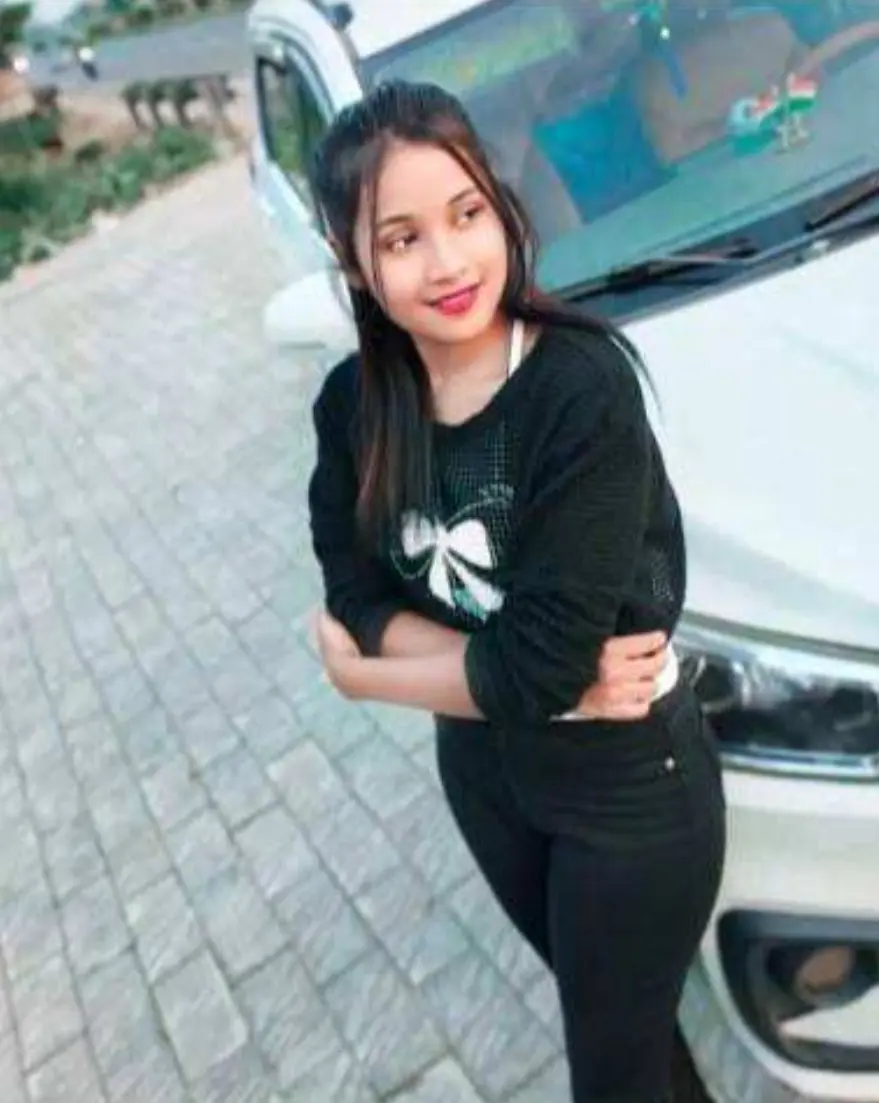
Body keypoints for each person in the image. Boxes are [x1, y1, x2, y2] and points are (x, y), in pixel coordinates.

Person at [306, 80, 726, 1103]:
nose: (449, 262)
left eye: (466, 214)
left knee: (610, 1068)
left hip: (628, 781)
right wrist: (522, 676)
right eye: (400, 238)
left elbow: (522, 664)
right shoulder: (354, 405)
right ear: (351, 262)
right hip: (487, 776)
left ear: (500, 207)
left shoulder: (577, 386)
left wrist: (368, 680)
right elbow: (354, 591)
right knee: (622, 1030)